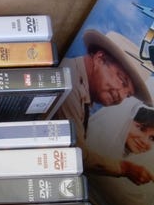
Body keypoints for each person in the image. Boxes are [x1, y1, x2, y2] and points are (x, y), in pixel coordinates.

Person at [56, 29, 153, 182]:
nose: (121, 96)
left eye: (128, 95)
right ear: (100, 58)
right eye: (122, 81)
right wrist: (125, 169)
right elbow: (75, 155)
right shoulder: (70, 84)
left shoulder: (81, 91)